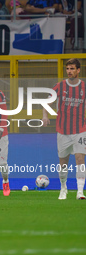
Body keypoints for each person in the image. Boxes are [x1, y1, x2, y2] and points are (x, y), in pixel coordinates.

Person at [42, 58, 86, 200]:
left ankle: (80, 191)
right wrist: (45, 116)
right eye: (67, 69)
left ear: (78, 70)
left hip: (80, 129)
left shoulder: (84, 87)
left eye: (72, 69)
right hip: (63, 130)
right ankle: (63, 188)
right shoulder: (59, 86)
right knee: (63, 162)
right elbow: (46, 101)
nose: (69, 71)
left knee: (80, 159)